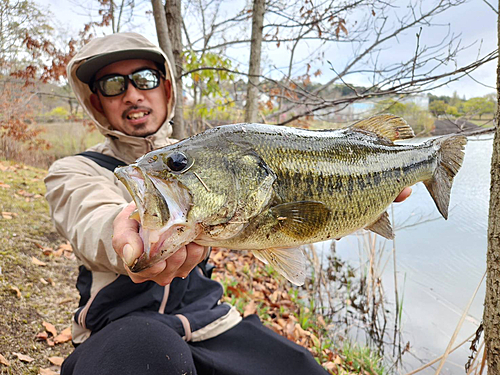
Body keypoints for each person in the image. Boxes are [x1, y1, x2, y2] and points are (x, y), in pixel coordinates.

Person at [44, 32, 411, 375]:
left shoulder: (210, 151)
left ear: (166, 87)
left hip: (211, 321)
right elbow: (90, 217)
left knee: (302, 368)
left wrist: (352, 207)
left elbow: (295, 221)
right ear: (96, 101)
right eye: (113, 85)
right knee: (146, 355)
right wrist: (124, 234)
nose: (132, 95)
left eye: (145, 78)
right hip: (121, 327)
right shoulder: (73, 170)